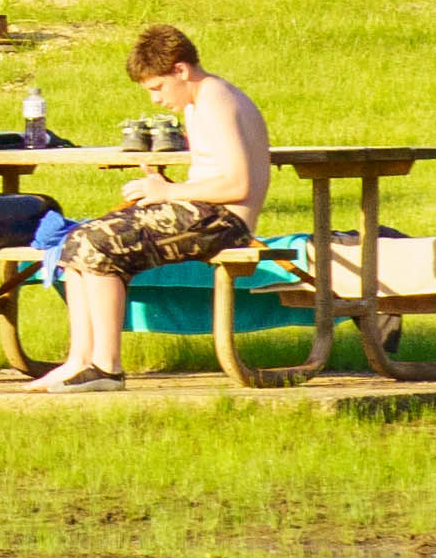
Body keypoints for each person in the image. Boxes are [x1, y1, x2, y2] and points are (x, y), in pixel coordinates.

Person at [36, 22, 271, 392]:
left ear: (181, 70)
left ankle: (107, 367)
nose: (156, 100)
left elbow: (237, 183)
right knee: (77, 240)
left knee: (99, 244)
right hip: (204, 211)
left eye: (157, 88)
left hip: (225, 221)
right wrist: (162, 188)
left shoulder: (216, 101)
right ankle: (78, 361)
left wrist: (166, 191)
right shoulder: (200, 102)